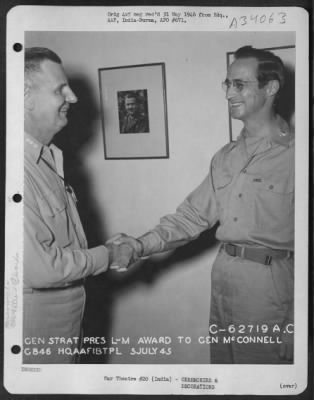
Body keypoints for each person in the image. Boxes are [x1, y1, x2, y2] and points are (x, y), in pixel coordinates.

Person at [111, 46, 295, 364]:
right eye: (227, 84)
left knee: (261, 380)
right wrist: (138, 246)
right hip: (224, 277)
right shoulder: (225, 157)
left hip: (269, 286)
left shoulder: (297, 154)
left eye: (240, 84)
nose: (228, 94)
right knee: (225, 377)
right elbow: (190, 217)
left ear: (271, 87)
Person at [23, 47, 131, 363]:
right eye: (61, 89)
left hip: (66, 327)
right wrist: (108, 255)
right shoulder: (17, 168)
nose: (73, 98)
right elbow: (42, 269)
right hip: (35, 337)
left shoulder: (48, 159)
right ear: (26, 96)